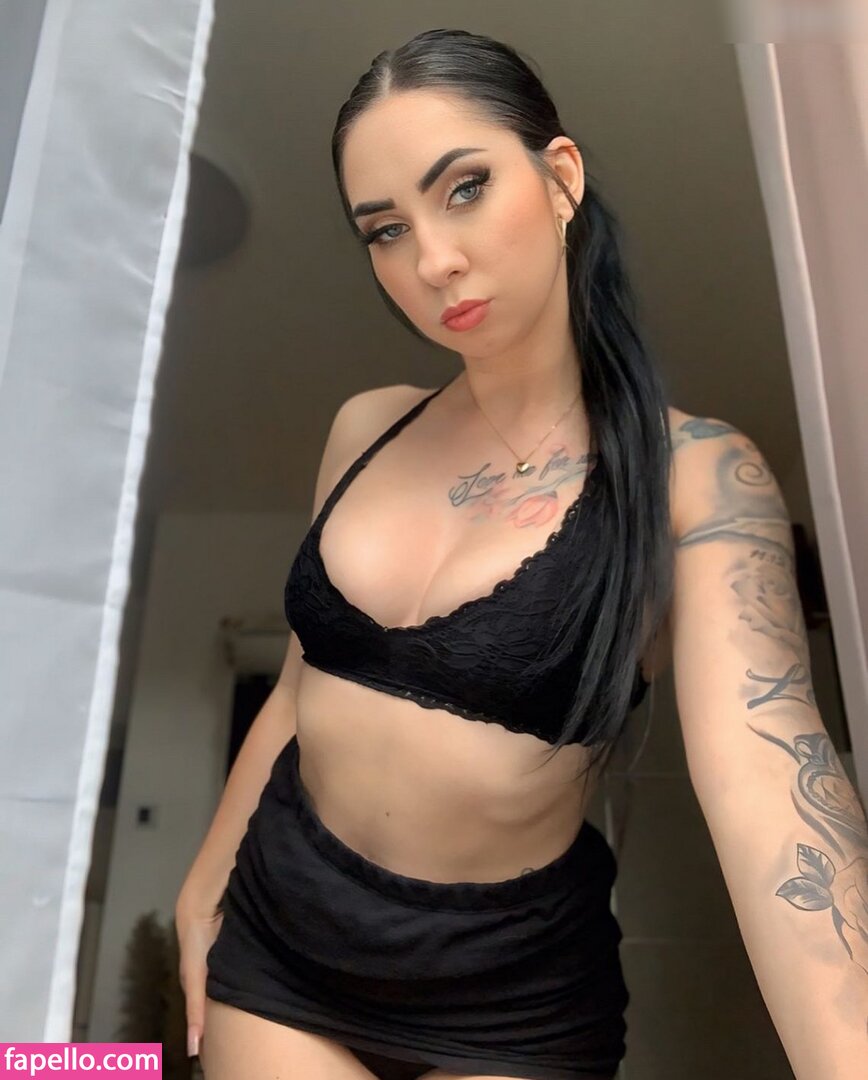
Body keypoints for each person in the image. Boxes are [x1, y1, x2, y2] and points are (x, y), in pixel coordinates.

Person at [176, 26, 674, 1080]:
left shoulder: (686, 480)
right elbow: (301, 686)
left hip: (515, 998)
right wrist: (204, 881)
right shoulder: (365, 426)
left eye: (464, 189)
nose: (431, 262)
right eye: (386, 229)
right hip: (279, 943)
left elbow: (766, 795)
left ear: (561, 178)